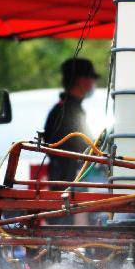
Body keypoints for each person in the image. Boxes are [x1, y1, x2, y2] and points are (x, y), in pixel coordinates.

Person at [43, 58, 98, 187]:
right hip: (66, 184)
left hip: (68, 181)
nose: (93, 82)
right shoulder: (66, 111)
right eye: (91, 77)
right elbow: (84, 145)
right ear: (81, 80)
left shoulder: (68, 108)